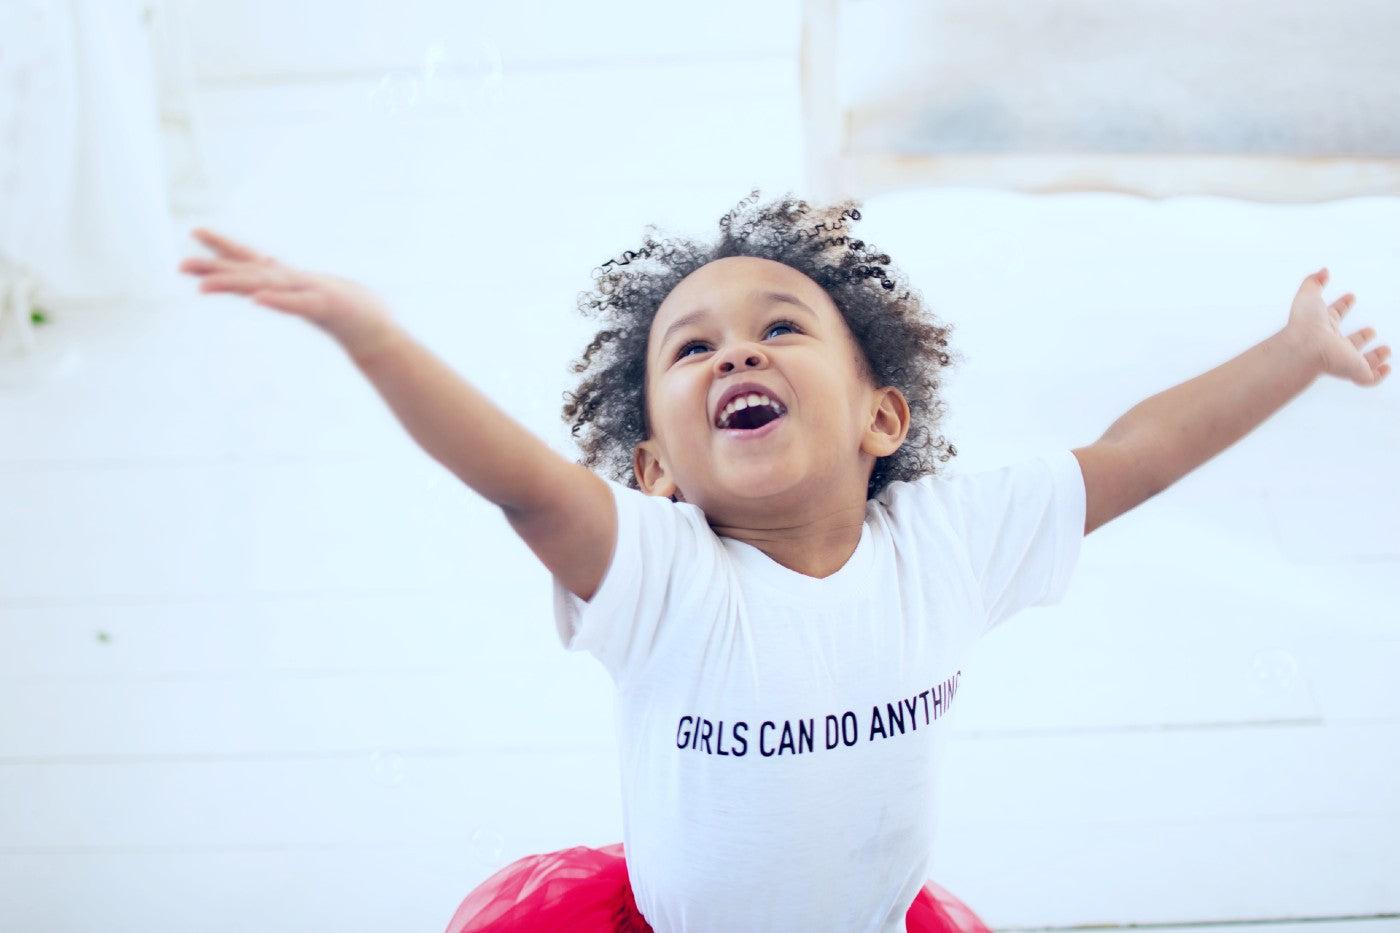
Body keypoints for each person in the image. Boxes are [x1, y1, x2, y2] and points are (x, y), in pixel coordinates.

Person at [179, 190, 1388, 932]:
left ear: (881, 418)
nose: (732, 358)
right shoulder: (662, 582)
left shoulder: (950, 546)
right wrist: (373, 335)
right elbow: (519, 483)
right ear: (653, 467)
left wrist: (1291, 351)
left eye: (777, 329)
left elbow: (1138, 451)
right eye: (690, 349)